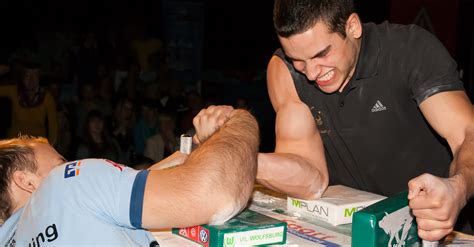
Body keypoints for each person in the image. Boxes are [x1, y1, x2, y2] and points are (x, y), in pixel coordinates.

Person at [256, 0, 474, 241]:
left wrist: (458, 187)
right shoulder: (285, 71)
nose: (311, 72)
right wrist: (242, 158)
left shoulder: (409, 50)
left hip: (434, 229)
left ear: (352, 27)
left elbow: (467, 133)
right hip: (345, 232)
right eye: (298, 59)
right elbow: (310, 179)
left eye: (321, 54)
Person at [0, 106, 259, 245]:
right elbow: (216, 194)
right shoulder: (63, 185)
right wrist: (237, 121)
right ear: (27, 181)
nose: (68, 164)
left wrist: (190, 149)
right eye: (60, 162)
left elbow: (127, 186)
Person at [0, 62, 58, 145]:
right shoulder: (14, 91)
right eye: (27, 76)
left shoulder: (47, 97)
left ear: (39, 78)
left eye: (35, 76)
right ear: (22, 77)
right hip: (15, 141)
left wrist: (50, 147)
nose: (31, 80)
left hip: (37, 143)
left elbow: (53, 128)